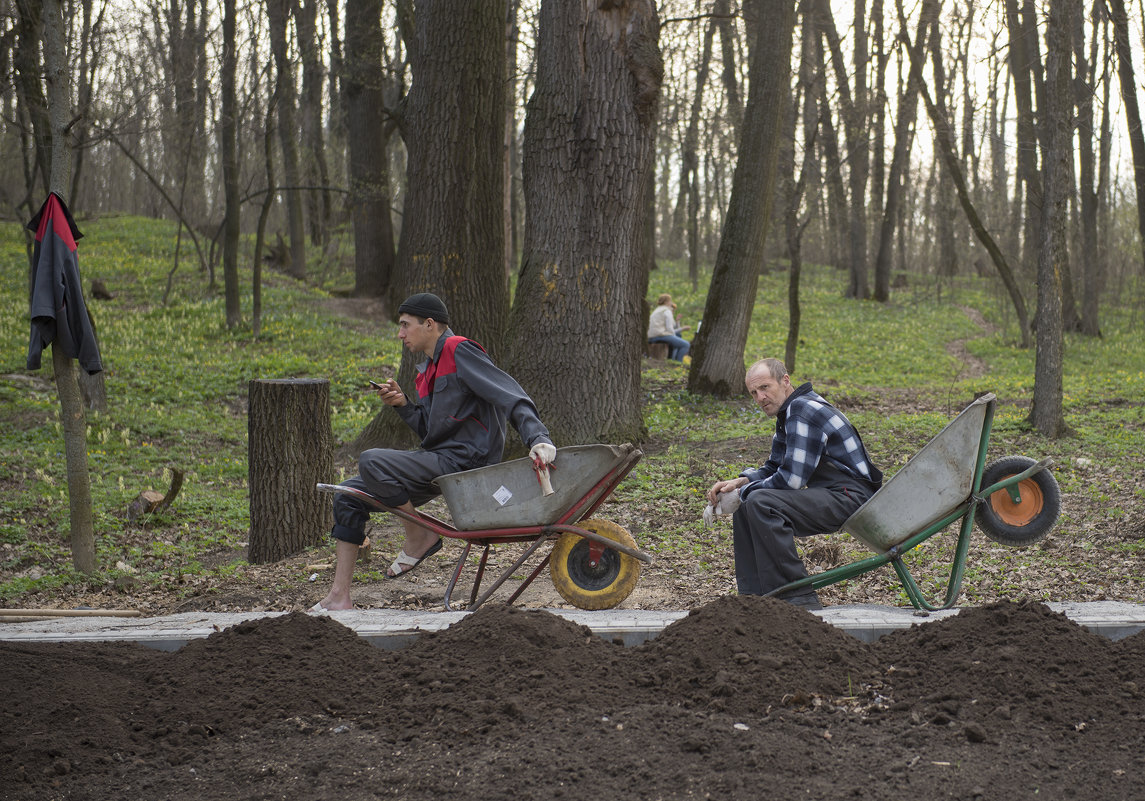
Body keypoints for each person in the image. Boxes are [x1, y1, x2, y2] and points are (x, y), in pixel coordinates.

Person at [312, 292, 555, 611]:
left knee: (372, 460)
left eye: (404, 325)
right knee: (347, 495)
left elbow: (510, 394)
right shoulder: (426, 370)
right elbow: (432, 431)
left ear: (429, 324)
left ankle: (420, 537)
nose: (400, 334)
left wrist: (538, 437)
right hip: (440, 462)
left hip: (467, 462)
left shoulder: (460, 351)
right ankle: (339, 596)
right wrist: (403, 406)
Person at [706, 358, 882, 610]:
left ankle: (795, 599)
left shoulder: (802, 410)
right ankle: (754, 599)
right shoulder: (788, 413)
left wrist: (745, 493)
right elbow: (774, 468)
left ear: (785, 381)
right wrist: (740, 482)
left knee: (760, 502)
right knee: (748, 504)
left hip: (852, 496)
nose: (760, 397)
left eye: (765, 387)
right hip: (833, 493)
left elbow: (791, 480)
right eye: (754, 392)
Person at [647, 293, 691, 362]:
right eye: (670, 301)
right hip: (659, 335)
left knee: (677, 338)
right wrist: (675, 337)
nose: (671, 303)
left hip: (651, 336)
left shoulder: (657, 310)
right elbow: (670, 329)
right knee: (686, 344)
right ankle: (678, 363)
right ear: (666, 302)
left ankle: (673, 360)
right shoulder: (667, 310)